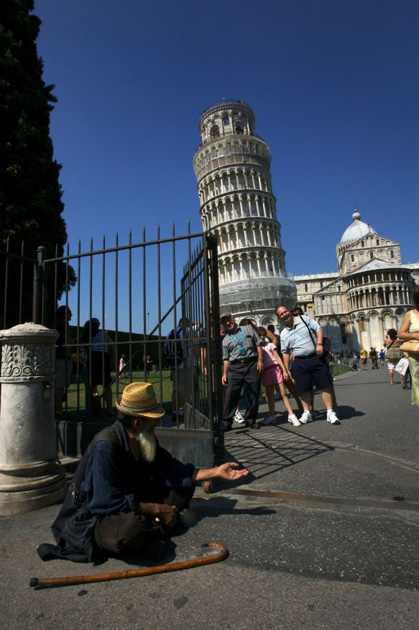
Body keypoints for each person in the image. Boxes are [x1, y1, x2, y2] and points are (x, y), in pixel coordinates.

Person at [37, 382, 249, 563]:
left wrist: (215, 473)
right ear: (138, 422)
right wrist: (156, 509)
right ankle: (155, 526)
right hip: (98, 515)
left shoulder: (143, 438)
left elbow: (171, 469)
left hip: (133, 499)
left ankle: (155, 527)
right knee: (130, 530)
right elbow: (105, 502)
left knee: (181, 487)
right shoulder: (106, 446)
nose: (157, 423)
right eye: (154, 419)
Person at [276, 305, 340, 425]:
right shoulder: (284, 333)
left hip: (315, 357)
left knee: (325, 385)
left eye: (285, 311)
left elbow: (319, 328)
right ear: (279, 318)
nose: (284, 314)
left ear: (289, 311)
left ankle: (330, 412)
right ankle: (307, 413)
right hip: (299, 361)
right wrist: (286, 369)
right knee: (303, 388)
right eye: (281, 314)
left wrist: (319, 343)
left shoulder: (304, 319)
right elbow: (285, 352)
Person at [221, 314, 264, 431]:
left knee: (254, 393)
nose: (228, 324)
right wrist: (224, 374)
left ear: (233, 319)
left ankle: (251, 420)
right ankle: (226, 422)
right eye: (225, 323)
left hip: (251, 364)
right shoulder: (225, 340)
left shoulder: (248, 329)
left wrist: (260, 360)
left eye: (228, 321)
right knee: (231, 394)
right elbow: (225, 359)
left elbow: (258, 343)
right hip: (235, 367)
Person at [256, 327, 301, 427]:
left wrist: (284, 370)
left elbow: (277, 357)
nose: (262, 337)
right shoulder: (258, 348)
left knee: (283, 393)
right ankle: (272, 414)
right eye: (260, 336)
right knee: (269, 393)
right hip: (266, 371)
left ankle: (291, 414)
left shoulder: (270, 345)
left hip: (275, 368)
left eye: (264, 335)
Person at [82, 318, 116, 416]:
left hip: (93, 357)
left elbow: (82, 344)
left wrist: (89, 354)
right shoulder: (103, 334)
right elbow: (113, 344)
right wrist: (113, 358)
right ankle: (110, 409)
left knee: (92, 385)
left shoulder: (86, 334)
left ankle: (94, 407)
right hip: (104, 356)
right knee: (106, 385)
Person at [398, 288, 419, 407]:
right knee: (417, 380)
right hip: (416, 354)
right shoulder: (410, 314)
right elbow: (401, 334)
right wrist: (415, 335)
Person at [55, 305, 73, 418]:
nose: (71, 314)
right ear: (64, 313)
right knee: (60, 385)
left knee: (56, 384)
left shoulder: (56, 323)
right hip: (62, 356)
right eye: (69, 312)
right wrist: (70, 352)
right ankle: (58, 410)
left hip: (56, 355)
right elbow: (67, 340)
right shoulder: (64, 324)